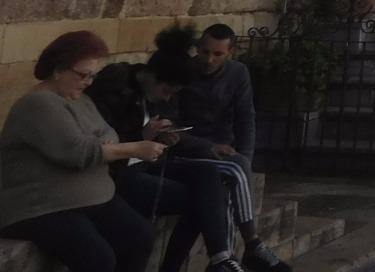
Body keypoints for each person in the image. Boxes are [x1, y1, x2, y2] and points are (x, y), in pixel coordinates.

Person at [0, 31, 165, 272]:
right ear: (58, 69)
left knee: (140, 237)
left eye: (92, 76)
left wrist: (104, 147)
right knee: (98, 259)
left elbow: (108, 135)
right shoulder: (38, 104)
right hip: (40, 206)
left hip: (85, 198)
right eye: (82, 74)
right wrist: (133, 149)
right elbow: (78, 153)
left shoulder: (80, 100)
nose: (88, 82)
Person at [87, 27, 247, 272]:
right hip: (117, 174)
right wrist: (141, 137)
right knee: (198, 201)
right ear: (152, 76)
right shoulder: (118, 85)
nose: (166, 98)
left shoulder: (159, 95)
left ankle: (221, 257)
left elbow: (169, 119)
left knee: (208, 177)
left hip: (148, 162)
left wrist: (168, 135)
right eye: (166, 91)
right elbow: (101, 141)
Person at [181, 25, 291, 271]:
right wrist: (208, 146)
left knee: (233, 179)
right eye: (204, 52)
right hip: (191, 150)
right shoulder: (185, 72)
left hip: (224, 151)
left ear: (230, 52)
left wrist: (246, 158)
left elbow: (245, 118)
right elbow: (171, 127)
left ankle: (225, 261)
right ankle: (251, 244)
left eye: (218, 54)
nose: (209, 59)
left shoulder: (238, 73)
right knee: (235, 171)